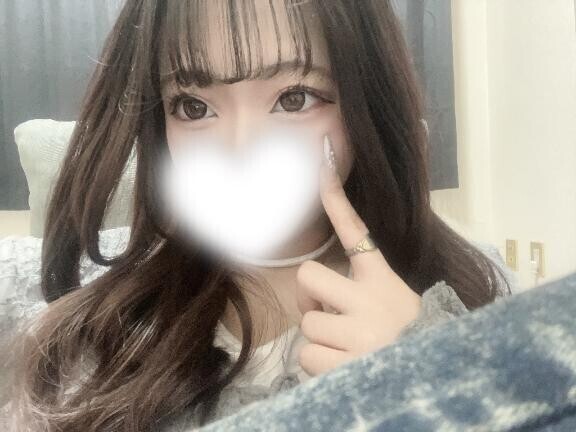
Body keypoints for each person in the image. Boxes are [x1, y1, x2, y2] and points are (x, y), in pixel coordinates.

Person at [0, 1, 513, 430]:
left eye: (294, 98)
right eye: (193, 107)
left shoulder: (474, 305)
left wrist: (430, 383)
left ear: (367, 106)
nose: (239, 149)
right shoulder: (92, 335)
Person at [196, 271, 576, 432]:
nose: (239, 146)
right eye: (194, 122)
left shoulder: (486, 287)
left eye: (295, 100)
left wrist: (427, 371)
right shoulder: (155, 317)